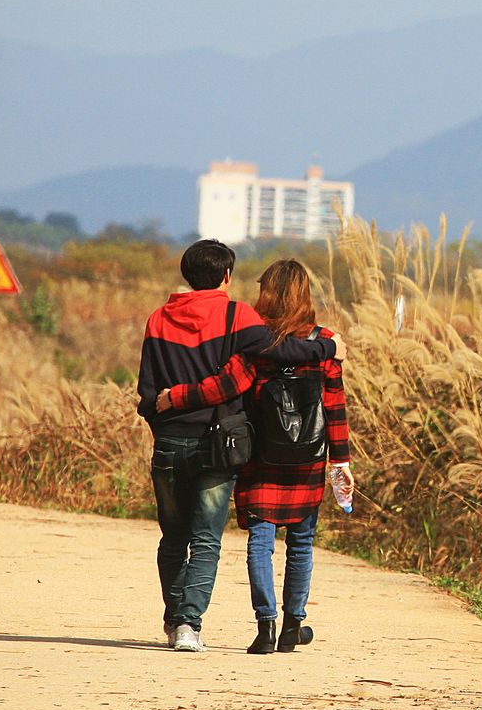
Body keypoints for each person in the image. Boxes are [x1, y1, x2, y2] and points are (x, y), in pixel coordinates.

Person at [137, 239, 345, 654]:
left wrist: (168, 405)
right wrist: (330, 347)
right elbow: (316, 386)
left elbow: (170, 390)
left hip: (213, 450)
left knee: (190, 539)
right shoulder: (245, 320)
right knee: (235, 540)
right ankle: (225, 625)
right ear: (226, 276)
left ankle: (197, 620)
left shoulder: (167, 321)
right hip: (262, 450)